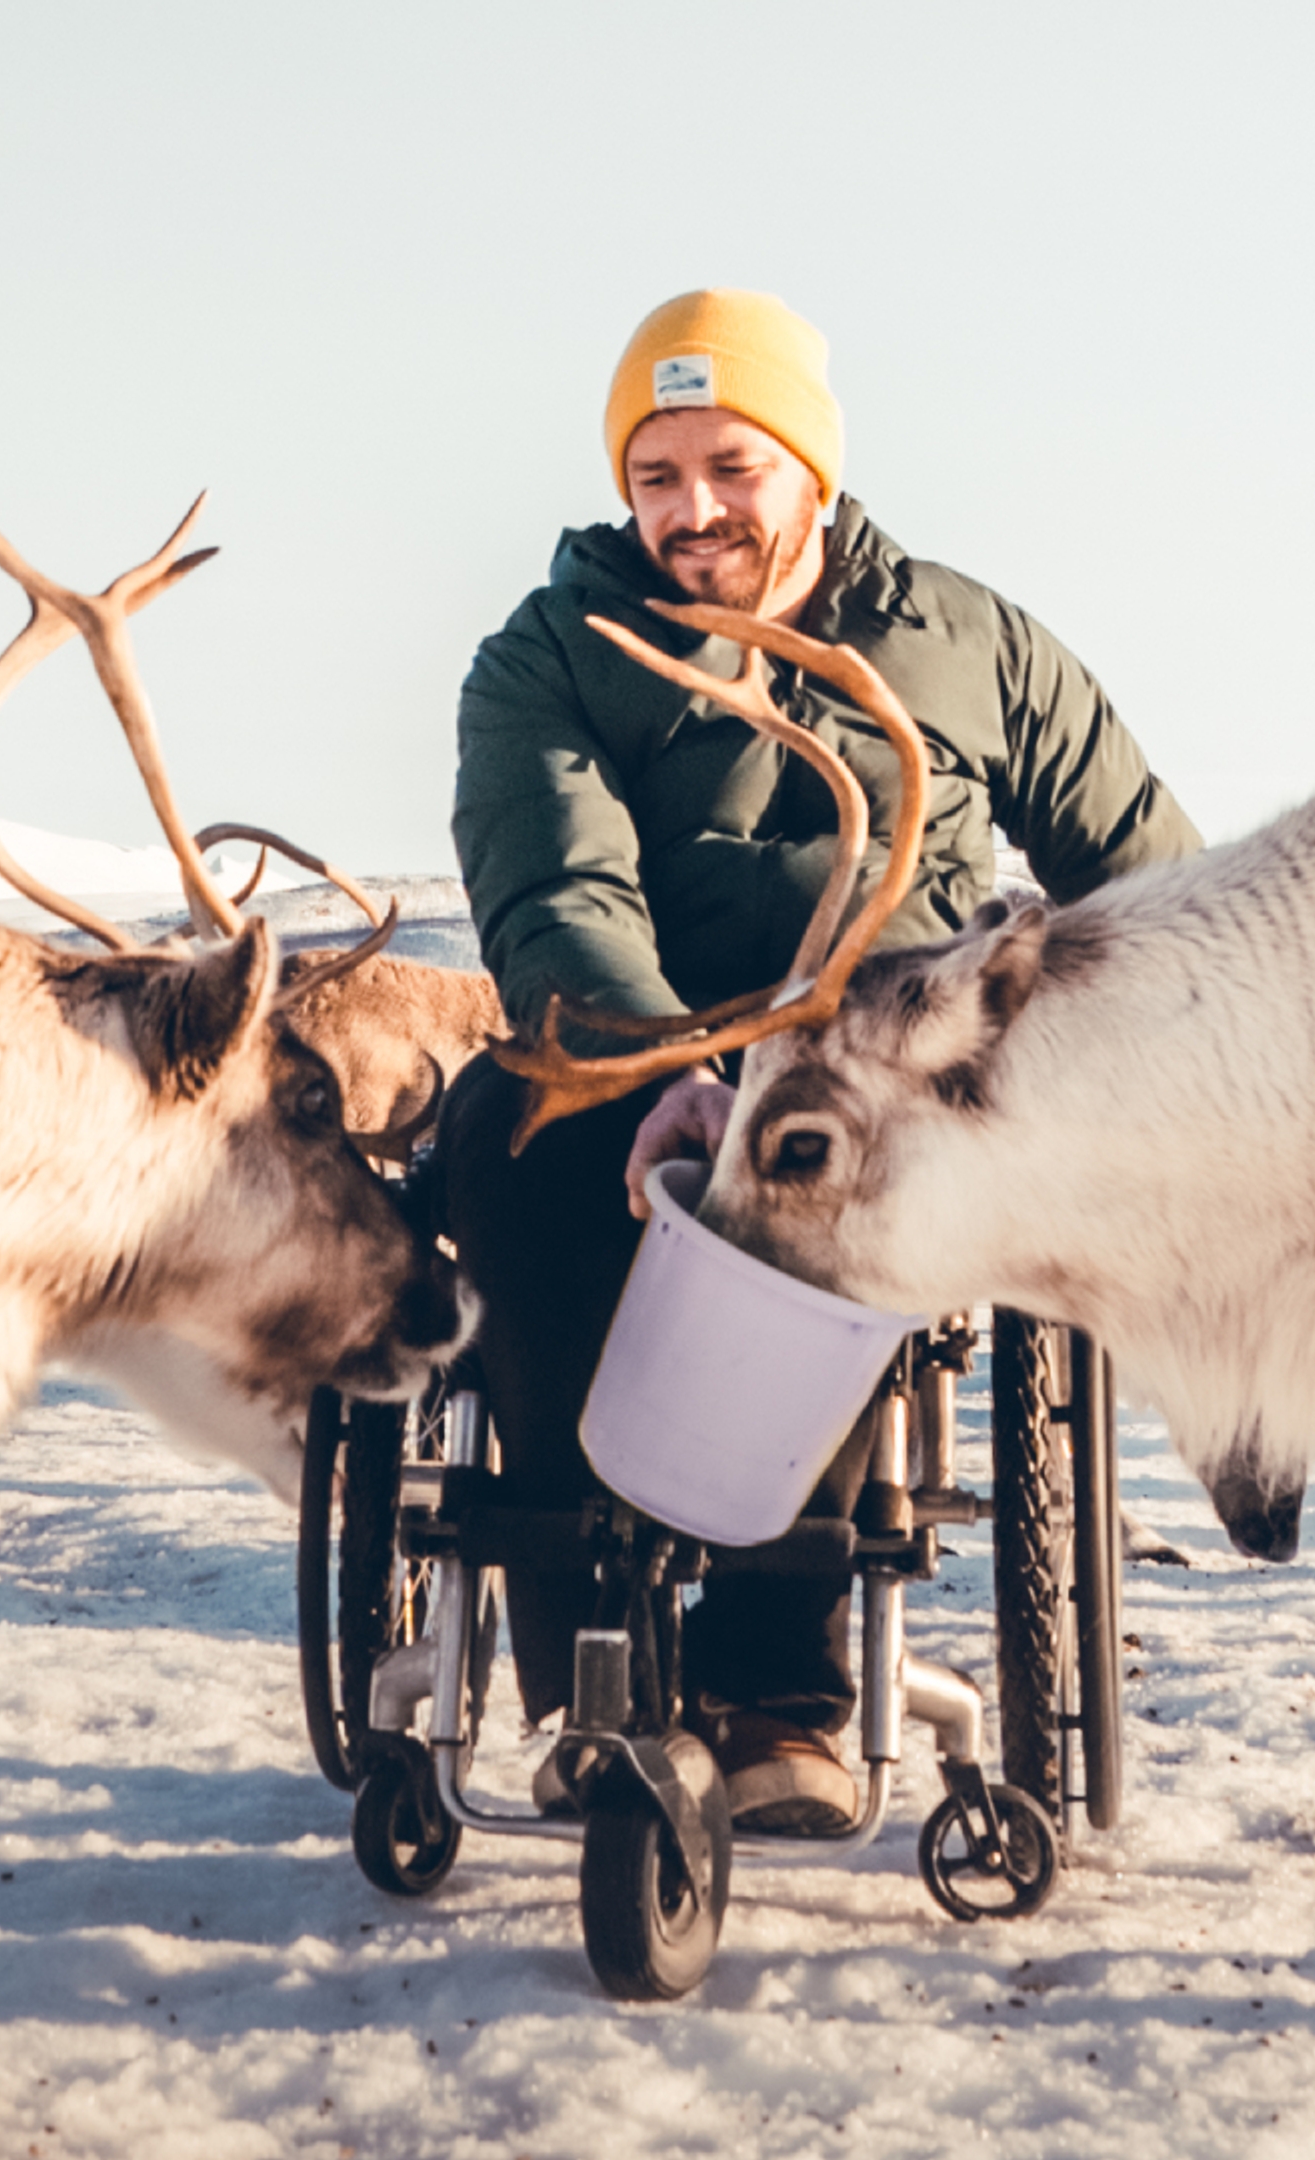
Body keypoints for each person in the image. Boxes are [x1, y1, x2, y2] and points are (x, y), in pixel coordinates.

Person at [441, 289, 1199, 1831]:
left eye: (732, 466)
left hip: (898, 1075)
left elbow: (1150, 872)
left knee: (854, 1173)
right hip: (643, 1057)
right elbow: (554, 889)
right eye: (656, 476)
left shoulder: (972, 642)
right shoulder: (551, 658)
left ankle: (778, 1686)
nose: (693, 509)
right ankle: (601, 1657)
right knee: (503, 1157)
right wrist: (659, 1069)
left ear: (808, 462)